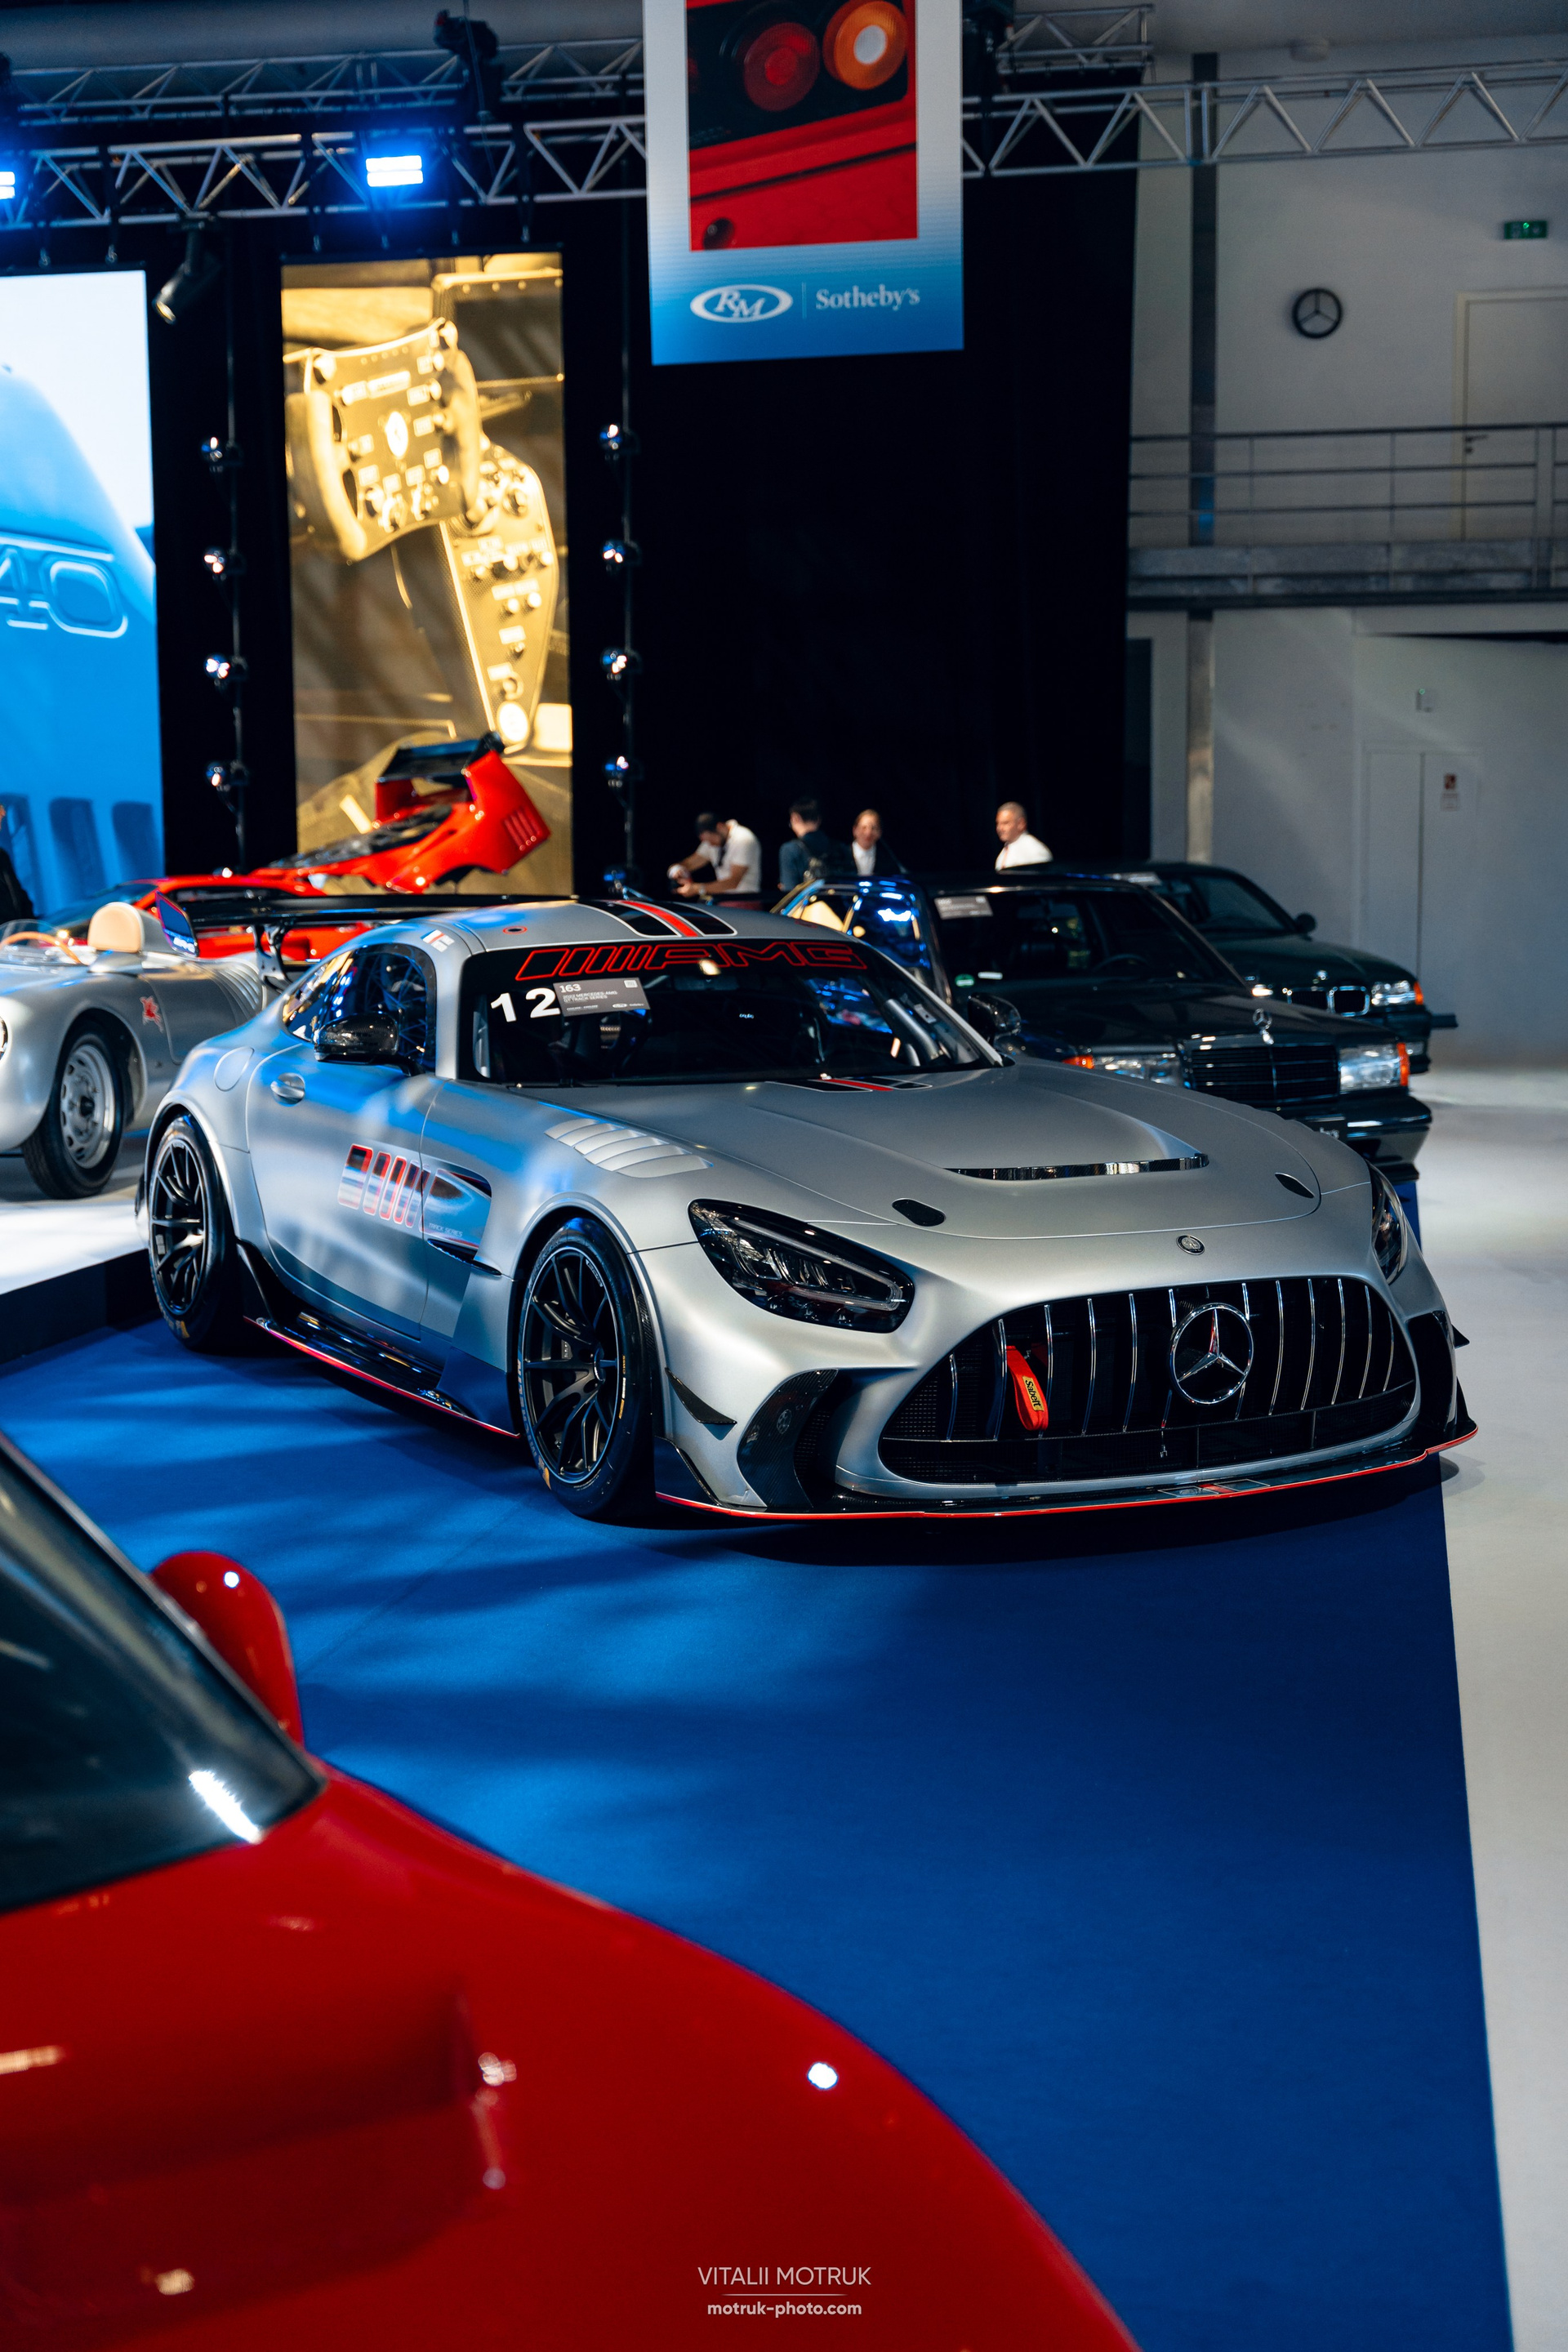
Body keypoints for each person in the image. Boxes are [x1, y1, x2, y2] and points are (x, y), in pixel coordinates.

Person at [668, 812, 762, 899]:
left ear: (719, 827)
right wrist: (677, 869)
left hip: (744, 900)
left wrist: (697, 889)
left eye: (711, 841)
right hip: (722, 900)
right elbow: (692, 863)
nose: (710, 845)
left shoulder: (744, 839)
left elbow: (733, 882)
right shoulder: (712, 842)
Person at [777, 800, 854, 893]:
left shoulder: (790, 849)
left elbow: (790, 890)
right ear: (818, 819)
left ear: (795, 818)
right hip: (840, 900)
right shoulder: (841, 847)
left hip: (809, 901)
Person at [994, 802, 1052, 870]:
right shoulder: (1004, 852)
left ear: (1021, 824)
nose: (1000, 828)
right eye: (998, 824)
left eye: (1005, 823)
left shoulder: (1034, 850)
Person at [0, 804, 33, 921]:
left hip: (15, 931)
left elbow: (20, 898)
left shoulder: (2, 856)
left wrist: (31, 927)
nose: (3, 813)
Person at [850, 808, 905, 879]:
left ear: (879, 833)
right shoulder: (840, 855)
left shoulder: (886, 860)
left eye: (873, 828)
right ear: (855, 830)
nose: (868, 833)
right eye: (864, 827)